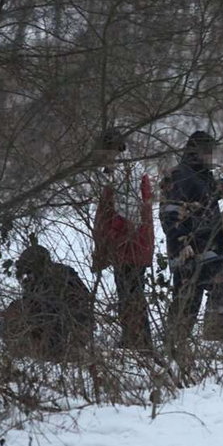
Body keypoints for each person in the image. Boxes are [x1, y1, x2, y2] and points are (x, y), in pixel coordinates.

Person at [159, 131, 223, 351]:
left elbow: (209, 193)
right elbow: (170, 213)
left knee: (190, 297)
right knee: (206, 292)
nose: (212, 156)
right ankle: (198, 343)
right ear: (197, 152)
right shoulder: (180, 176)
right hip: (190, 250)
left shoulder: (201, 175)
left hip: (206, 249)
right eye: (209, 152)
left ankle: (180, 343)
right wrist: (180, 244)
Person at [90, 129, 154, 350]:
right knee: (130, 293)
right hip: (133, 246)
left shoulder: (126, 175)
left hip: (130, 247)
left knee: (130, 294)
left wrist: (111, 238)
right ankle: (136, 339)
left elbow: (128, 217)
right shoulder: (126, 171)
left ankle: (138, 342)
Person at [2, 244, 94, 361]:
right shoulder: (35, 280)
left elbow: (78, 301)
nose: (27, 274)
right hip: (57, 331)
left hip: (68, 329)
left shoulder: (60, 275)